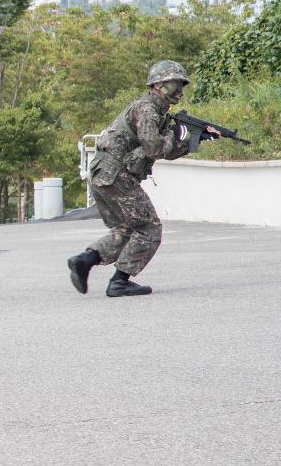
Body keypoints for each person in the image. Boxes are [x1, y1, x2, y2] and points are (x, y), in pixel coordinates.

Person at [67, 60, 214, 297]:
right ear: (157, 85)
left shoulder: (156, 113)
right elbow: (155, 148)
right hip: (116, 176)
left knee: (127, 228)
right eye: (174, 84)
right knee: (149, 228)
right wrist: (182, 137)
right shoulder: (146, 110)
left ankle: (85, 260)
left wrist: (193, 141)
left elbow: (163, 150)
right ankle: (119, 282)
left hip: (105, 175)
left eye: (182, 85)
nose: (179, 90)